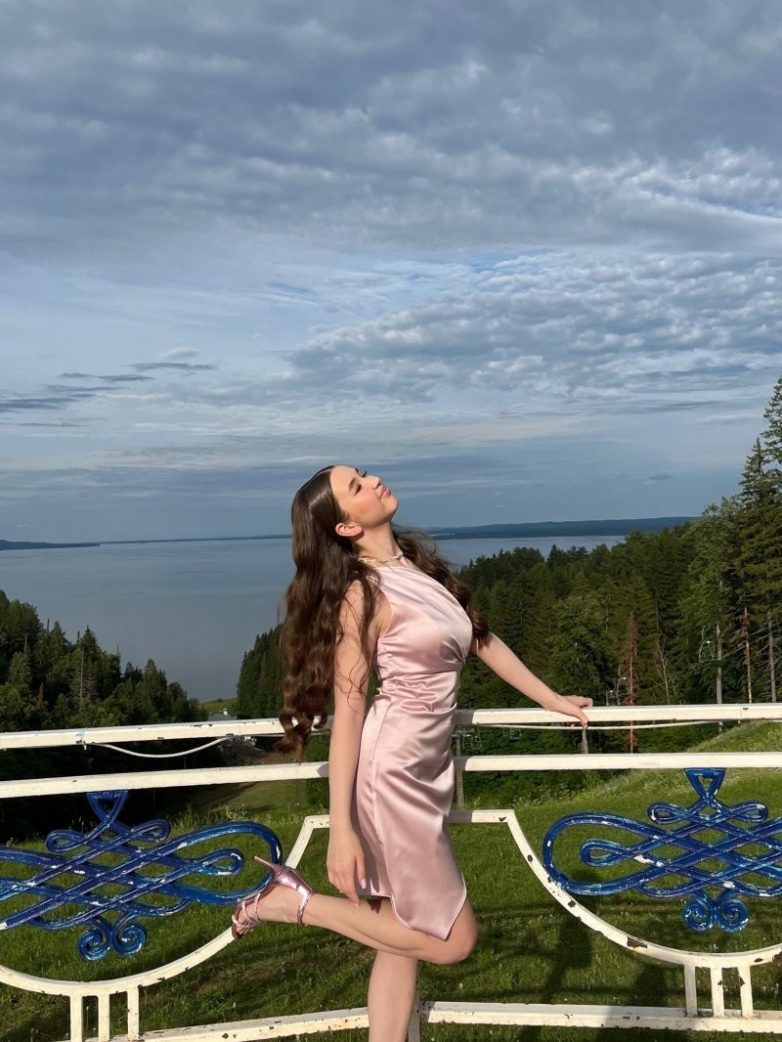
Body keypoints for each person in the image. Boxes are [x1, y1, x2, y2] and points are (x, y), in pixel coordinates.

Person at [231, 465, 592, 1041]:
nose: (374, 480)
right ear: (346, 527)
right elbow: (350, 714)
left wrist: (552, 699)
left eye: (363, 473)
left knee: (398, 934)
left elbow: (481, 639)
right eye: (357, 486)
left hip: (425, 767)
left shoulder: (417, 567)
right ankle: (290, 903)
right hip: (392, 774)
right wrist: (342, 828)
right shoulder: (361, 595)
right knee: (453, 940)